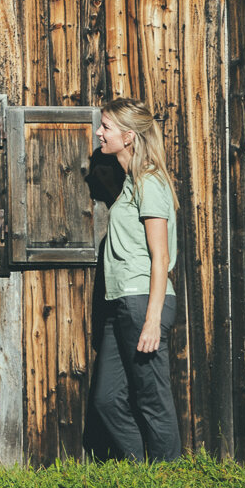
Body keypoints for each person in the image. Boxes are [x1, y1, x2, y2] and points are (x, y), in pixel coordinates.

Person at [91, 96, 181, 462]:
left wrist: (152, 320)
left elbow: (160, 257)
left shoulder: (150, 182)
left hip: (143, 300)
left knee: (152, 397)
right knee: (107, 399)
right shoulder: (130, 183)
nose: (99, 132)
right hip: (121, 303)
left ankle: (169, 482)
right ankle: (138, 475)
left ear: (128, 136)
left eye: (106, 127)